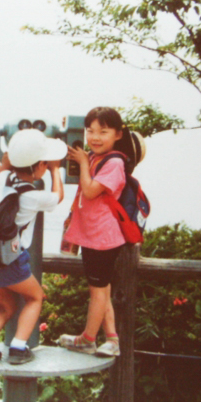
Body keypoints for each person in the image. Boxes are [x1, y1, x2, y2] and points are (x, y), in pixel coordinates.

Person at [0, 129, 66, 365]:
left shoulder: (2, 179)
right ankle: (18, 348)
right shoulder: (33, 196)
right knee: (35, 297)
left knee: (6, 307)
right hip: (7, 260)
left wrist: (4, 166)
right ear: (40, 166)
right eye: (45, 163)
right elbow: (58, 197)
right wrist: (55, 170)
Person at [59, 106, 145, 357]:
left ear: (118, 134)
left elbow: (90, 190)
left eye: (103, 132)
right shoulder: (97, 157)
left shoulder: (114, 162)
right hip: (94, 235)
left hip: (102, 237)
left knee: (97, 292)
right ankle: (112, 339)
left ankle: (87, 339)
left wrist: (84, 163)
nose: (94, 137)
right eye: (90, 131)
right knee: (102, 289)